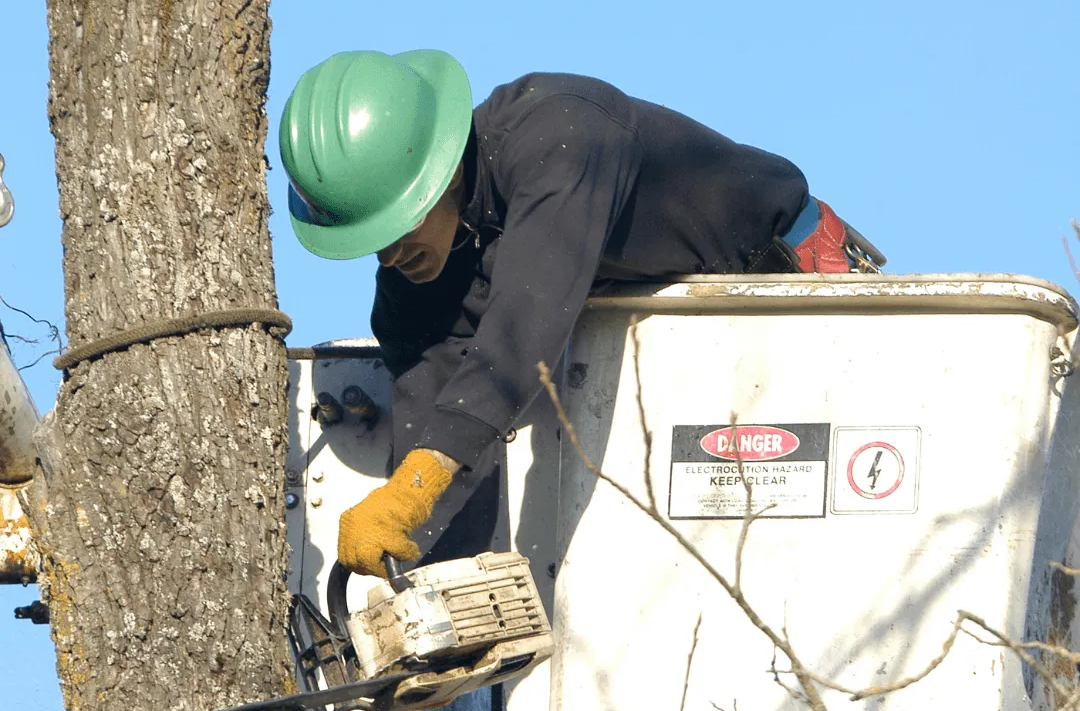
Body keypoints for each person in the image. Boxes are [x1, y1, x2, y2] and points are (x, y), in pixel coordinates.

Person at [279, 49, 884, 578]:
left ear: (439, 175)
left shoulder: (562, 133)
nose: (389, 254)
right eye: (371, 240)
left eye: (397, 225)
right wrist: (426, 573)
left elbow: (523, 323)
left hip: (794, 297)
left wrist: (417, 484)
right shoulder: (422, 277)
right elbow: (435, 412)